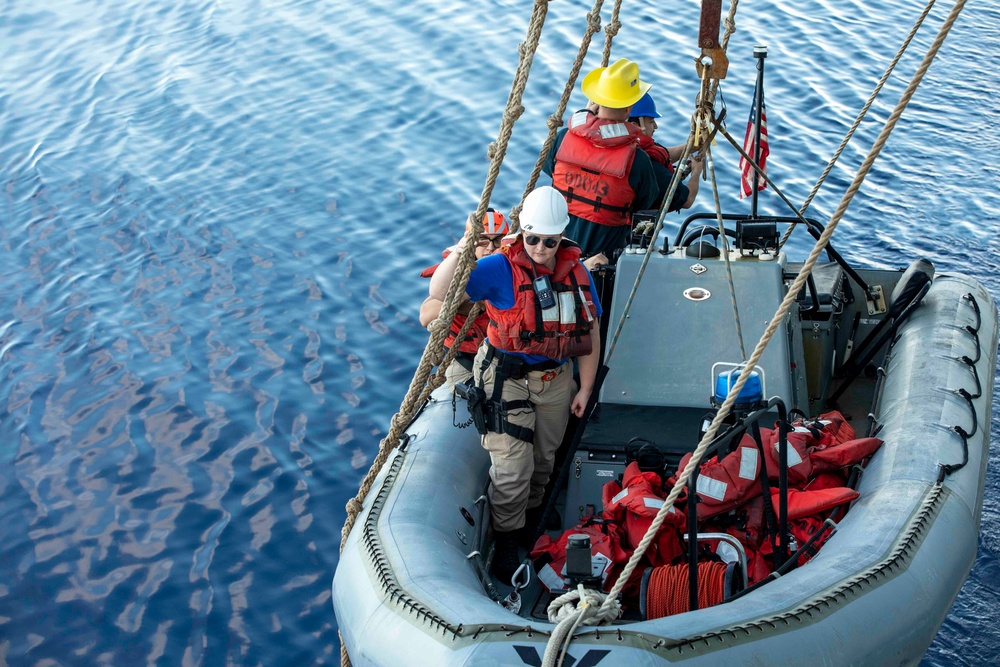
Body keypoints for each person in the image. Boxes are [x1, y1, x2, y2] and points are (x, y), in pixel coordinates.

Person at [428, 186, 602, 581]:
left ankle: (533, 514)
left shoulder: (576, 274)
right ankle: (508, 539)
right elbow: (439, 291)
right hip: (503, 377)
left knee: (545, 457)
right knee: (512, 466)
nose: (541, 248)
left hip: (555, 378)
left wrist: (586, 388)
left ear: (562, 237)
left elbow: (590, 328)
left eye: (550, 241)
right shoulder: (499, 267)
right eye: (534, 238)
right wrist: (464, 244)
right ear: (522, 233)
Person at [542, 59, 699, 268]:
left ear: (596, 101)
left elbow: (550, 170)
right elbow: (645, 203)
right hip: (604, 263)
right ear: (629, 108)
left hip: (556, 256)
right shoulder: (638, 160)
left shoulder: (562, 138)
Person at [419, 208, 510, 388]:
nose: (490, 247)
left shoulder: (511, 267)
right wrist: (467, 300)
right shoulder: (453, 271)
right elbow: (425, 316)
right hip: (464, 357)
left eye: (497, 240)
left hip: (503, 354)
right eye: (482, 240)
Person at [627, 92, 702, 212]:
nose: (656, 126)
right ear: (635, 125)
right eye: (651, 121)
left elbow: (657, 155)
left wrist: (688, 148)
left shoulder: (619, 147)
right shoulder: (648, 165)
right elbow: (687, 200)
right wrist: (696, 172)